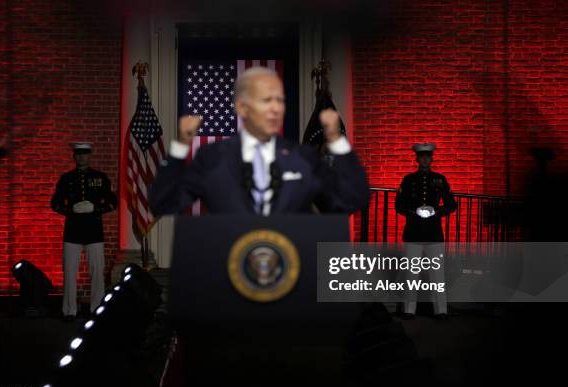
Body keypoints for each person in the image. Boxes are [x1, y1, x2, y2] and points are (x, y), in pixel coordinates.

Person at [149, 67, 368, 216]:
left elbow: (351, 201)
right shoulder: (212, 159)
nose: (275, 108)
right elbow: (163, 203)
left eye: (280, 100)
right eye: (266, 100)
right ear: (242, 107)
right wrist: (178, 149)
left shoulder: (303, 158)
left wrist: (338, 144)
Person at [51, 142, 117, 321]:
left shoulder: (100, 178)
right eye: (78, 154)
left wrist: (95, 208)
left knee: (97, 271)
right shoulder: (66, 178)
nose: (81, 157)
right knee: (69, 271)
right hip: (72, 230)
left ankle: (97, 309)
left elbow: (113, 202)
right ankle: (69, 310)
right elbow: (55, 204)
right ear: (74, 156)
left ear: (90, 156)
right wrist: (70, 210)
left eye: (85, 154)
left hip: (94, 230)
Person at [395, 143, 456, 320]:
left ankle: (441, 310)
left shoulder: (440, 179)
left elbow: (452, 205)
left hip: (433, 232)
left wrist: (435, 211)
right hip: (413, 231)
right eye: (421, 156)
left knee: (437, 274)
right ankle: (409, 310)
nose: (424, 159)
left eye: (427, 156)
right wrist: (414, 212)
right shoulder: (408, 180)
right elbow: (399, 205)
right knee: (411, 274)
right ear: (417, 158)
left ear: (431, 158)